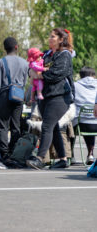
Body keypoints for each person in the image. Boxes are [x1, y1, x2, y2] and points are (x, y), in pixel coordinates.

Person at [26, 28, 74, 169]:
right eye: (49, 36)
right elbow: (32, 67)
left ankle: (40, 158)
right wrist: (32, 72)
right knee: (53, 128)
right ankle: (63, 159)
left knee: (46, 125)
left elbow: (56, 74)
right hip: (45, 96)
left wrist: (38, 75)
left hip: (60, 97)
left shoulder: (64, 55)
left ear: (60, 39)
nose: (49, 38)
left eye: (53, 36)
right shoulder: (46, 54)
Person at [0, 37, 28, 162]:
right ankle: (14, 152)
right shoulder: (25, 63)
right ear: (16, 47)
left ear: (4, 48)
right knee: (16, 126)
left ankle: (4, 153)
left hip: (4, 95)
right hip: (18, 95)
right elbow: (24, 82)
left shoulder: (0, 62)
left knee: (3, 126)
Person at [72, 66, 96, 164]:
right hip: (96, 122)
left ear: (81, 75)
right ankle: (90, 154)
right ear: (93, 75)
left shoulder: (75, 85)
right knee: (91, 120)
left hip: (80, 123)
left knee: (69, 127)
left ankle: (71, 156)